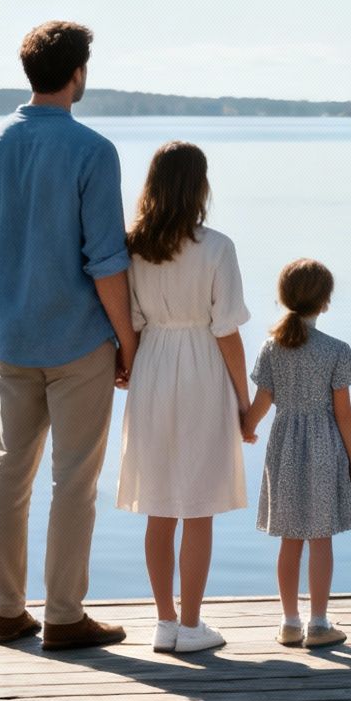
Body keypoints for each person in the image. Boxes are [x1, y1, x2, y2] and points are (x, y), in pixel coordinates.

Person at [0, 20, 134, 651]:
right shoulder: (93, 150)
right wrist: (128, 344)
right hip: (80, 342)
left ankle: (7, 611)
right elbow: (107, 262)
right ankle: (63, 616)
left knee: (9, 474)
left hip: (12, 340)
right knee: (74, 481)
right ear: (78, 73)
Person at [114, 142, 252, 655]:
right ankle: (192, 627)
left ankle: (166, 623)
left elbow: (130, 318)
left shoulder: (132, 247)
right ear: (200, 186)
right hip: (201, 370)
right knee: (197, 506)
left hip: (152, 365)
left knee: (159, 505)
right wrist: (245, 399)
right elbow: (227, 331)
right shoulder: (217, 247)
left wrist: (126, 364)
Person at [241, 259, 351, 648]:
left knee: (289, 539)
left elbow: (263, 401)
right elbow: (344, 414)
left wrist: (246, 427)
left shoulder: (271, 347)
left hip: (284, 447)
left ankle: (290, 622)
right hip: (326, 446)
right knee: (320, 538)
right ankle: (319, 624)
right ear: (325, 302)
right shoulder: (336, 351)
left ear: (283, 298)